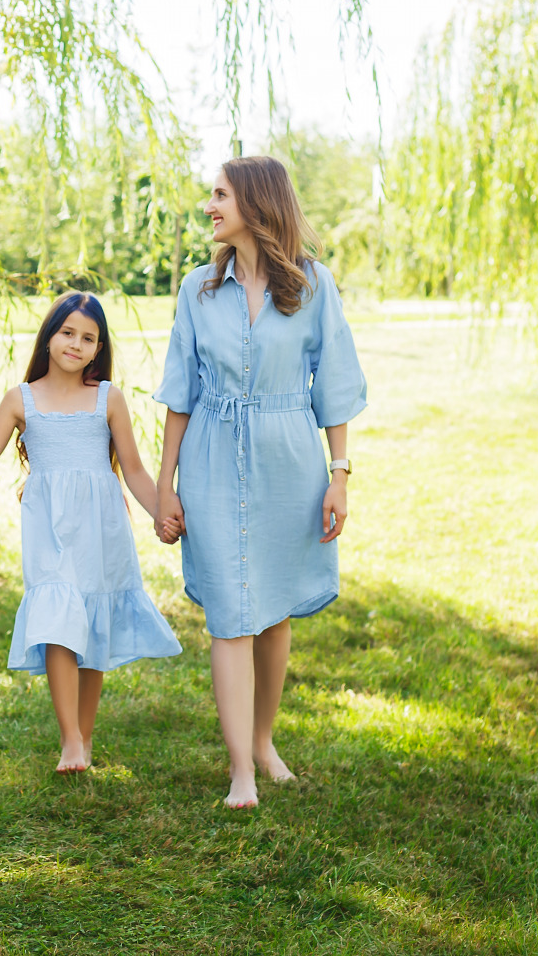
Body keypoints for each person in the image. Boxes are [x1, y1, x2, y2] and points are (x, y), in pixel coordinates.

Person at [153, 156, 366, 809]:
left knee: (271, 610)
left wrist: (340, 475)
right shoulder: (198, 290)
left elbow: (333, 384)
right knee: (229, 611)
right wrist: (165, 485)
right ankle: (240, 769)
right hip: (213, 456)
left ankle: (265, 741)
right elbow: (179, 394)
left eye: (219, 195)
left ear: (255, 202)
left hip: (288, 459)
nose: (210, 206)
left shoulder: (312, 284)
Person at [0, 293, 181, 773]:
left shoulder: (109, 398)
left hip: (100, 527)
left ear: (98, 347)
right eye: (68, 333)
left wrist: (161, 513)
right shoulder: (22, 399)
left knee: (93, 619)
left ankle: (85, 737)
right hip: (49, 530)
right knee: (59, 619)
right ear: (49, 336)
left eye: (88, 338)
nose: (76, 344)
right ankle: (68, 739)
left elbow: (137, 473)